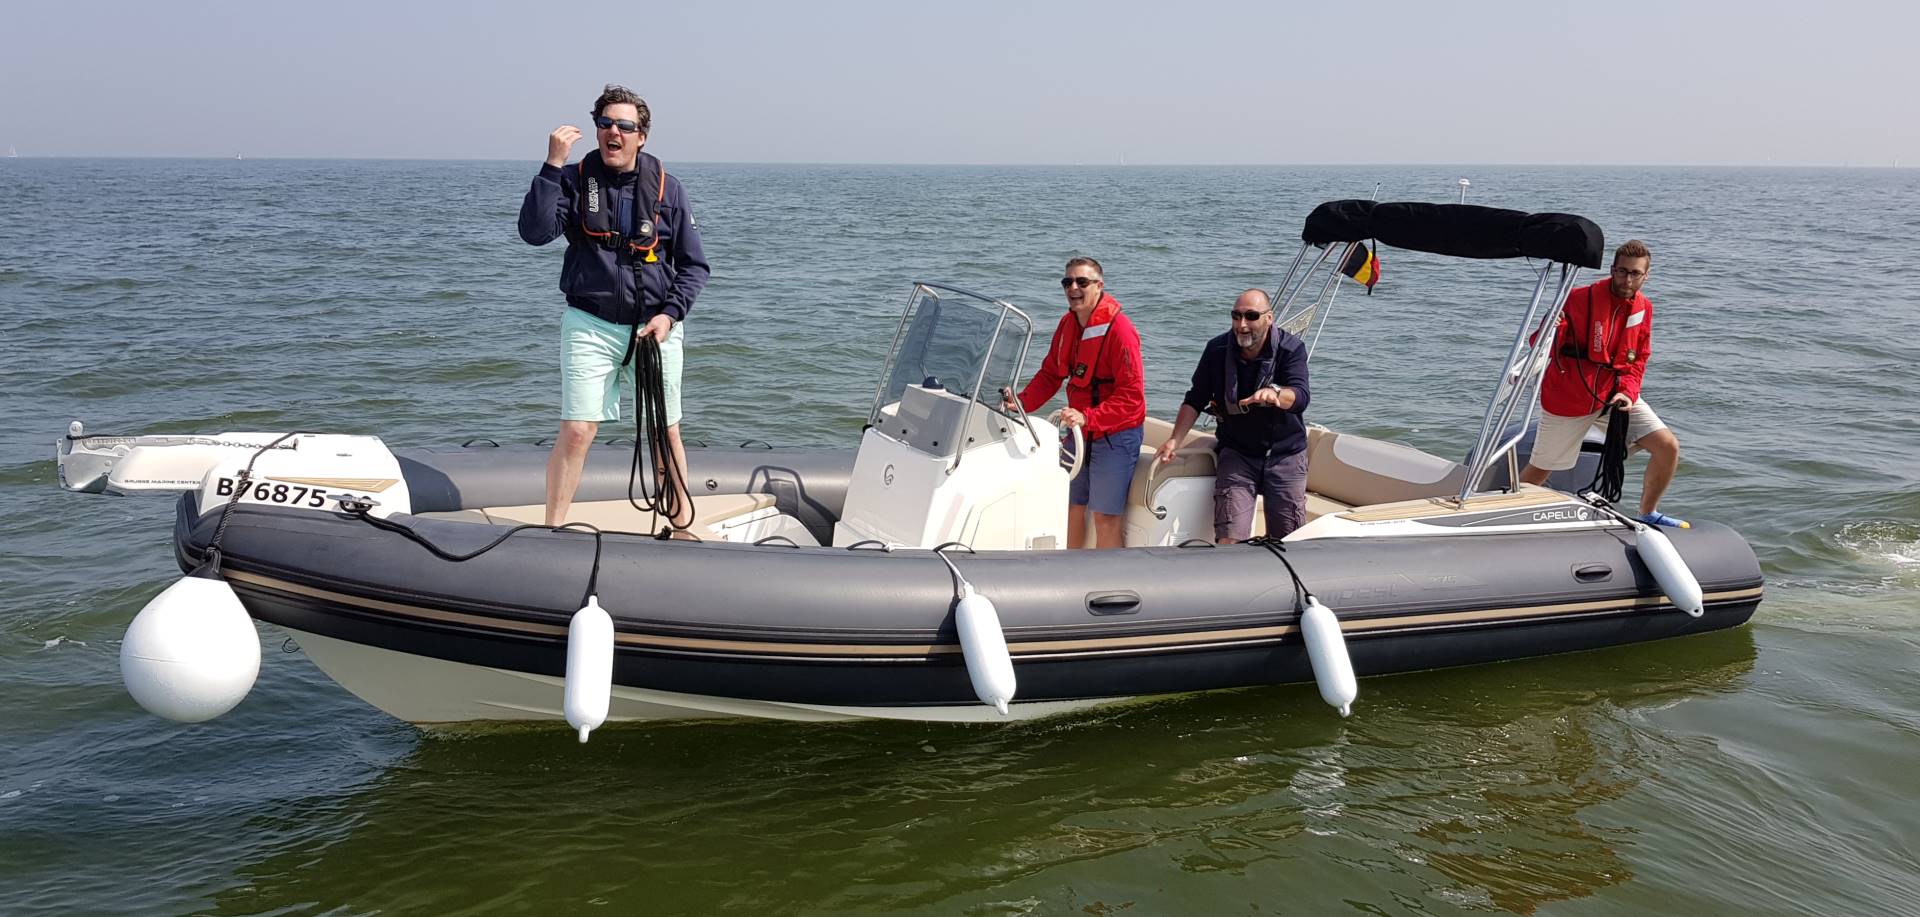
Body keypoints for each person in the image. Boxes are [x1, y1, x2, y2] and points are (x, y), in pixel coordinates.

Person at [517, 85, 710, 529]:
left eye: (624, 125)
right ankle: (552, 531)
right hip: (591, 324)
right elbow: (534, 232)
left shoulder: (669, 190)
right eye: (605, 124)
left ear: (641, 136)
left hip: (654, 330)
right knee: (577, 430)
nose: (613, 132)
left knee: (665, 431)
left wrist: (669, 315)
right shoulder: (573, 180)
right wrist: (552, 165)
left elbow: (694, 266)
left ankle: (682, 528)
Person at [1518, 240, 1685, 527]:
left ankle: (1647, 513)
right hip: (1570, 396)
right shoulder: (1578, 298)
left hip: (1615, 394)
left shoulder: (1644, 308)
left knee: (1667, 446)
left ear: (1646, 276)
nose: (1627, 279)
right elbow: (1538, 344)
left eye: (1635, 273)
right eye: (1622, 271)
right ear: (1612, 270)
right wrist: (1551, 327)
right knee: (1541, 469)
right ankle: (1505, 512)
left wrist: (1628, 393)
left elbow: (1639, 358)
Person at [1005, 257, 1146, 549]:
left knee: (1105, 518)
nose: (1073, 288)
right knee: (1068, 507)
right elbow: (1051, 374)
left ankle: (1109, 574)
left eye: (1082, 282)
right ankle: (1069, 569)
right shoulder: (1068, 324)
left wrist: (1088, 417)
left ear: (1099, 286)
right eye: (1067, 282)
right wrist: (1020, 403)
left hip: (1115, 435)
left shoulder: (1120, 331)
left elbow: (1132, 397)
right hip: (1079, 433)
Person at [1155, 289, 1311, 543]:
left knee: (1288, 540)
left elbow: (1301, 396)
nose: (1242, 324)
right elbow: (1195, 398)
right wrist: (1175, 440)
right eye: (1236, 316)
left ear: (1269, 318)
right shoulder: (1216, 349)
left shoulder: (1291, 349)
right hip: (1238, 454)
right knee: (1230, 539)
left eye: (1251, 316)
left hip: (1285, 455)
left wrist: (1276, 394)